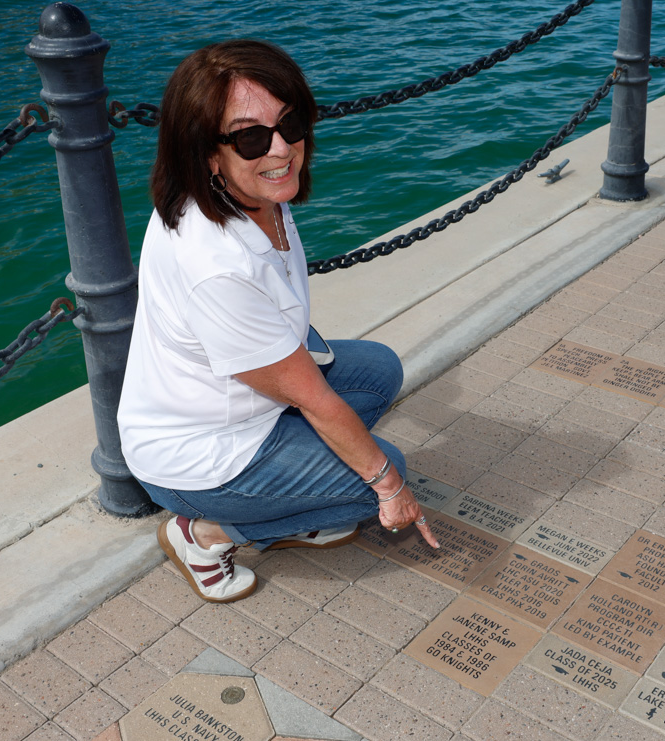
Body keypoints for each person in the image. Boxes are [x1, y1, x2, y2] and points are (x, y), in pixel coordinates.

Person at [117, 39, 439, 605]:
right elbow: (315, 400)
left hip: (237, 406)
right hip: (198, 456)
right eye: (250, 137)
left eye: (290, 123)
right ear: (208, 153)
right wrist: (389, 488)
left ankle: (289, 500)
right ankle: (205, 534)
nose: (282, 147)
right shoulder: (216, 265)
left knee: (379, 370)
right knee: (377, 482)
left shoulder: (248, 193)